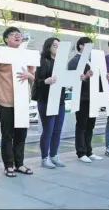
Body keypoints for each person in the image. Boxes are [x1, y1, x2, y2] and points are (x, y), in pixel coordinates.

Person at [0, 27, 35, 177]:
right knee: (7, 135)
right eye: (12, 35)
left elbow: (33, 75)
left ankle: (20, 164)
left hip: (23, 100)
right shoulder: (0, 55)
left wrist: (29, 75)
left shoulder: (26, 55)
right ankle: (8, 166)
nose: (17, 36)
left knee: (21, 135)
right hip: (6, 100)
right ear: (6, 39)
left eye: (19, 34)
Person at [68, 37, 103, 163]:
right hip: (82, 98)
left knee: (90, 126)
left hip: (92, 98)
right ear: (81, 46)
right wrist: (85, 77)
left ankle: (89, 151)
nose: (91, 48)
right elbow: (70, 80)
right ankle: (81, 152)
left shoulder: (91, 61)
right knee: (81, 125)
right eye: (88, 45)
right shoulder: (74, 61)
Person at [34, 37, 66, 169]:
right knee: (48, 130)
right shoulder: (43, 61)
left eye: (59, 45)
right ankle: (44, 158)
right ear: (48, 47)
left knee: (57, 130)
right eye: (55, 45)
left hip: (60, 100)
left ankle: (54, 155)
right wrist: (45, 81)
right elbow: (37, 81)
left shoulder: (62, 62)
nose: (57, 47)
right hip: (46, 100)